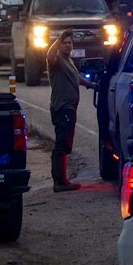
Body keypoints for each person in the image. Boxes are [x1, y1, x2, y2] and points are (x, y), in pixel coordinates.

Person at [44, 40, 95, 191]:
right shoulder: (56, 60)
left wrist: (91, 84)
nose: (68, 45)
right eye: (64, 43)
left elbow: (76, 78)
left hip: (70, 107)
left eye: (70, 43)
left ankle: (62, 180)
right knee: (61, 143)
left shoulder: (68, 61)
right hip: (62, 107)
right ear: (59, 45)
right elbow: (49, 55)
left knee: (66, 142)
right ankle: (60, 182)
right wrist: (59, 39)